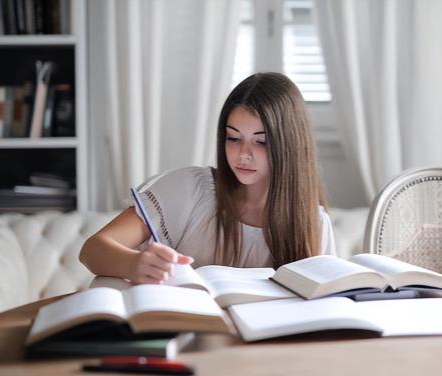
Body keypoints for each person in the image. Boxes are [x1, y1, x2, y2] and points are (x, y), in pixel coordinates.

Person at [79, 72, 336, 284]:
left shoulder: (313, 223)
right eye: (233, 138)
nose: (243, 154)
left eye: (261, 142)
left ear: (289, 145)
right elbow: (92, 250)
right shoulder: (189, 189)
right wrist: (134, 264)